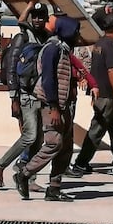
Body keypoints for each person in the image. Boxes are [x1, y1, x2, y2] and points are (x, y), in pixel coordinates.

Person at [14, 15, 81, 202]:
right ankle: (24, 173)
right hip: (52, 106)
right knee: (54, 143)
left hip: (63, 105)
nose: (78, 35)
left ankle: (54, 189)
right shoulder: (52, 48)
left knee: (65, 147)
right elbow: (49, 80)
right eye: (75, 31)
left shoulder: (64, 49)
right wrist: (53, 107)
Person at [0, 0, 50, 189]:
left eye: (42, 17)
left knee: (39, 139)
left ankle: (28, 178)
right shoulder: (22, 37)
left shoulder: (46, 37)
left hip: (41, 95)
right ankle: (0, 164)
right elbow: (12, 69)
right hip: (25, 95)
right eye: (35, 16)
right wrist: (13, 97)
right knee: (30, 135)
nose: (38, 19)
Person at [68, 13, 113, 177]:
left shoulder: (99, 44)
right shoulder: (110, 45)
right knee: (96, 130)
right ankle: (81, 164)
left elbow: (95, 69)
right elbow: (111, 70)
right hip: (108, 96)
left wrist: (93, 92)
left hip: (103, 95)